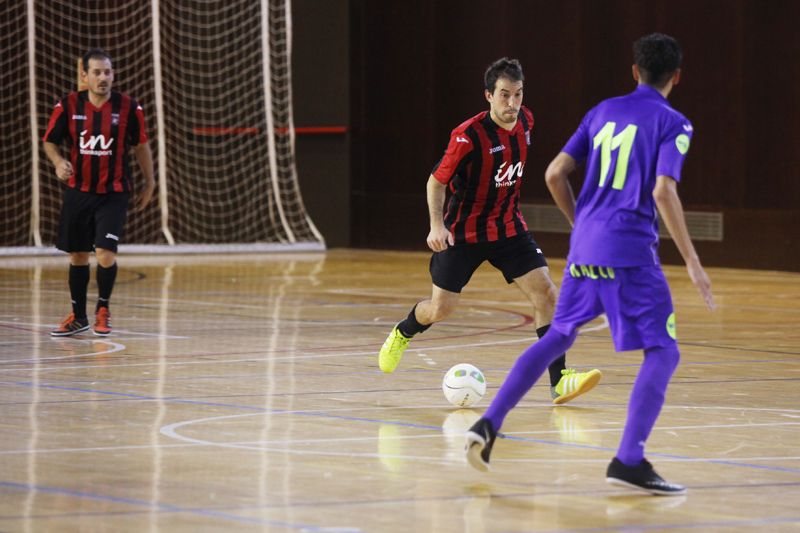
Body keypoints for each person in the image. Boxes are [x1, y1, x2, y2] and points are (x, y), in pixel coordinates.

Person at [464, 34, 715, 496]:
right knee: (664, 350)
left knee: (560, 334)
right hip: (631, 253)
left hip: (585, 247)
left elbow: (554, 174)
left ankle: (488, 423)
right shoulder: (675, 123)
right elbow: (663, 191)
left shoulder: (601, 112)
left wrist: (583, 224)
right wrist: (694, 261)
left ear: (634, 71)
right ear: (676, 77)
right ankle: (629, 459)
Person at [377, 57, 601, 405]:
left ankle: (560, 381)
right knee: (440, 309)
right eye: (504, 95)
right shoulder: (467, 136)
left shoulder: (527, 120)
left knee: (547, 294)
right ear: (488, 95)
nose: (512, 104)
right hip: (463, 235)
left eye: (518, 94)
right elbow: (436, 182)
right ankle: (403, 331)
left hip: (509, 228)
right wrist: (437, 225)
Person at [43, 48, 155, 337]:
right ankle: (78, 317)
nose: (103, 77)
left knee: (105, 253)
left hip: (113, 192)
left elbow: (140, 145)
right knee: (78, 256)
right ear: (84, 76)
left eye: (108, 72)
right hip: (79, 191)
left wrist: (150, 182)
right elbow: (49, 142)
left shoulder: (129, 108)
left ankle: (103, 309)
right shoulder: (67, 105)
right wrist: (58, 163)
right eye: (97, 72)